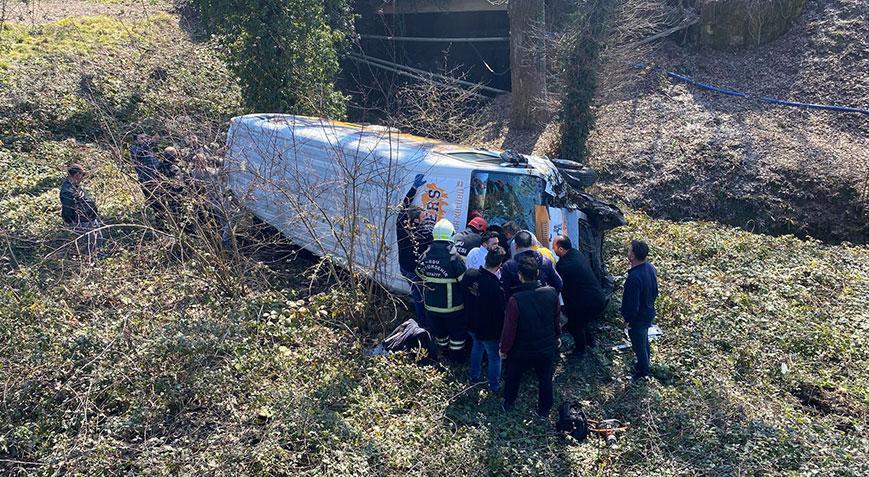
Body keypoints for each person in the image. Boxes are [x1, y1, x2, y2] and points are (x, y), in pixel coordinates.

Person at [500, 256, 561, 416]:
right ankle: (544, 409)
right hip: (547, 346)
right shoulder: (551, 292)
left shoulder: (515, 300)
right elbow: (556, 319)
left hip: (521, 349)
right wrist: (557, 336)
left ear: (520, 275)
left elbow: (509, 329)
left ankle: (508, 403)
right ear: (538, 273)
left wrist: (504, 349)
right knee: (545, 378)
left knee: (513, 376)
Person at [417, 219, 467, 359]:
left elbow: (419, 273)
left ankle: (443, 353)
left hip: (431, 306)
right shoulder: (454, 257)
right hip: (453, 308)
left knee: (440, 333)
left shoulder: (426, 254)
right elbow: (464, 280)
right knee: (457, 334)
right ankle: (456, 360)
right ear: (451, 235)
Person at [461, 245, 507, 391]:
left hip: (471, 324)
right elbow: (500, 314)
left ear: (486, 259)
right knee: (494, 357)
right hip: (489, 331)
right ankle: (493, 386)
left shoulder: (469, 275)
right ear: (499, 265)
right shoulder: (496, 287)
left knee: (477, 347)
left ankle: (474, 377)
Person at [552, 235, 606, 357]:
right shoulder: (576, 253)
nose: (552, 249)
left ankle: (580, 350)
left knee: (574, 325)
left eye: (554, 247)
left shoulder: (563, 266)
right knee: (582, 321)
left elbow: (562, 288)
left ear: (561, 249)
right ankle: (591, 342)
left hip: (588, 302)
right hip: (597, 297)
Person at [397, 174, 433, 323]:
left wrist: (413, 188)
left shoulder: (401, 225)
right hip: (413, 271)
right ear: (417, 220)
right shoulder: (422, 234)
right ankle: (424, 323)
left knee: (416, 294)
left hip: (404, 268)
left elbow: (403, 207)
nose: (427, 217)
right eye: (424, 216)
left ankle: (422, 320)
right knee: (420, 298)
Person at [621, 240, 658, 381]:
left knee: (638, 345)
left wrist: (628, 320)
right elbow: (655, 291)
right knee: (644, 340)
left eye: (629, 250)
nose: (627, 252)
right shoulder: (650, 267)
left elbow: (632, 304)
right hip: (648, 311)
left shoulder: (634, 277)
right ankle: (644, 363)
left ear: (633, 256)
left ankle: (643, 371)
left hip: (638, 318)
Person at [501, 230, 563, 297]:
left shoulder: (509, 266)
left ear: (516, 246)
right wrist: (550, 298)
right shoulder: (546, 261)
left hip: (520, 304)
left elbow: (505, 291)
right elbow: (558, 284)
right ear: (532, 244)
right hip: (544, 302)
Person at [59, 163, 104, 255]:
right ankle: (92, 260)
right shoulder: (67, 190)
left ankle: (99, 254)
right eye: (82, 175)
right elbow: (68, 209)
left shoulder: (75, 185)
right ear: (76, 175)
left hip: (89, 218)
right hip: (82, 222)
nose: (82, 177)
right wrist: (74, 222)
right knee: (90, 244)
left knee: (98, 239)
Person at [130, 133, 160, 198]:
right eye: (141, 138)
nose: (145, 140)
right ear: (136, 141)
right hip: (145, 178)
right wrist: (151, 141)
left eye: (145, 138)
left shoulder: (149, 149)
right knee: (151, 198)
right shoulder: (134, 148)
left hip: (155, 177)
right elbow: (140, 153)